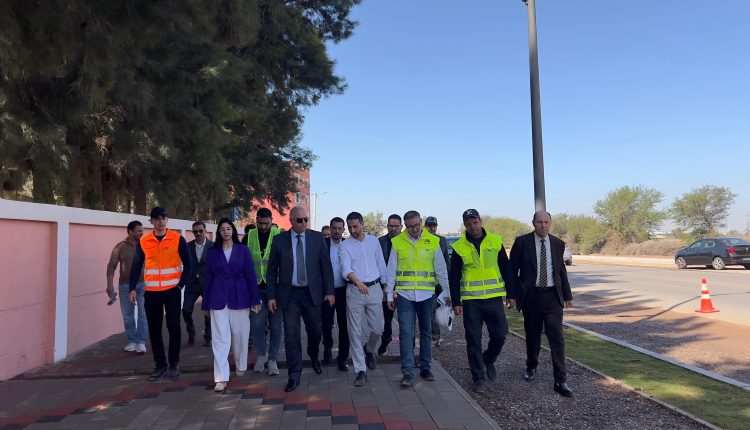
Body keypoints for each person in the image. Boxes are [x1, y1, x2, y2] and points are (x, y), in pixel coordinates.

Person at [267, 206, 335, 392]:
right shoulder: (279, 240)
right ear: (291, 220)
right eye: (300, 220)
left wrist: (329, 292)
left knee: (316, 331)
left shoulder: (316, 238)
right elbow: (271, 271)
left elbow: (326, 267)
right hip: (290, 295)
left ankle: (313, 354)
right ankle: (294, 374)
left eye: (306, 219)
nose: (304, 223)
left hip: (312, 294)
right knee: (291, 335)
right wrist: (271, 296)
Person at [509, 210, 573, 397]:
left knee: (557, 338)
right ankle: (531, 366)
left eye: (546, 222)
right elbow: (512, 270)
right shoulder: (522, 242)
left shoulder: (558, 243)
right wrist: (511, 295)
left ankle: (560, 380)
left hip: (553, 297)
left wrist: (567, 295)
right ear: (533, 223)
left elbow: (561, 271)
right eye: (539, 222)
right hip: (532, 297)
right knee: (533, 335)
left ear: (550, 223)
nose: (543, 226)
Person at [449, 209, 515, 393]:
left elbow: (506, 268)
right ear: (465, 225)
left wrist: (512, 294)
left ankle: (488, 359)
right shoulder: (459, 247)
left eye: (475, 222)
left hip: (494, 299)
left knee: (500, 334)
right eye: (469, 224)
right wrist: (456, 302)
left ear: (480, 221)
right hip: (471, 301)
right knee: (473, 340)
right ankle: (478, 377)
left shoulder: (495, 241)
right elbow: (453, 277)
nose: (473, 226)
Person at [129, 207, 193, 381]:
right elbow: (136, 266)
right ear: (151, 221)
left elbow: (189, 265)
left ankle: (174, 363)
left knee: (173, 326)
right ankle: (160, 365)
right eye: (157, 219)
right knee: (155, 330)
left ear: (167, 220)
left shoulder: (177, 239)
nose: (160, 221)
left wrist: (180, 285)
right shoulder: (144, 241)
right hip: (151, 292)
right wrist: (132, 288)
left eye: (163, 218)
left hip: (172, 291)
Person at [387, 210, 449, 387]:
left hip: (427, 295)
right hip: (405, 295)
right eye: (410, 227)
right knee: (406, 333)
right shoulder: (397, 242)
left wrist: (447, 292)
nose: (414, 229)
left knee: (426, 332)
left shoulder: (433, 241)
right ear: (405, 226)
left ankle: (425, 367)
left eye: (416, 225)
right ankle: (407, 371)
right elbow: (391, 270)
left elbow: (441, 269)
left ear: (421, 222)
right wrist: (389, 293)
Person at [202, 218, 262, 392]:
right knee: (220, 338)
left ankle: (240, 364)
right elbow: (208, 278)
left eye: (228, 228)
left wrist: (255, 299)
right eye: (222, 229)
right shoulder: (213, 253)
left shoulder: (243, 250)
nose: (226, 232)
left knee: (240, 334)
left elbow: (250, 275)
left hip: (240, 296)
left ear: (233, 231)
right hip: (218, 297)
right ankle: (221, 378)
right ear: (219, 232)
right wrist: (205, 304)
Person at [339, 212, 389, 387]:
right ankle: (360, 370)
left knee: (378, 328)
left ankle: (370, 350)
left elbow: (381, 264)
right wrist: (358, 282)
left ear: (362, 224)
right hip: (355, 290)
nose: (352, 230)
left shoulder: (374, 242)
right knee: (354, 331)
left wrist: (386, 288)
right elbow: (345, 269)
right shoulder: (344, 246)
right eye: (350, 227)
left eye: (355, 226)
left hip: (374, 289)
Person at [246, 208, 283, 376]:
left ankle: (273, 359)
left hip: (275, 289)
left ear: (271, 220)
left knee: (276, 325)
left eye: (266, 223)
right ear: (256, 221)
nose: (262, 226)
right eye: (260, 223)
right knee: (256, 324)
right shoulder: (249, 236)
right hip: (256, 289)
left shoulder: (279, 235)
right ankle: (262, 353)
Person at [106, 220, 148, 354]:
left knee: (143, 313)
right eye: (139, 231)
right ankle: (132, 340)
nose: (142, 233)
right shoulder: (120, 247)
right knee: (127, 315)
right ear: (130, 232)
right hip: (125, 285)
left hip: (144, 285)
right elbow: (111, 266)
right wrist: (109, 285)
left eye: (142, 231)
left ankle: (141, 342)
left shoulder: (146, 245)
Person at [322, 217, 349, 371]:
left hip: (344, 291)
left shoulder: (348, 245)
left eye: (340, 228)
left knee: (344, 326)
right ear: (330, 229)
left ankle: (342, 358)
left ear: (343, 229)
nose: (337, 231)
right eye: (334, 228)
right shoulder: (322, 244)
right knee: (326, 324)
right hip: (327, 291)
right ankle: (327, 348)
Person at [183, 221, 214, 347]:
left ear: (205, 230)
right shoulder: (188, 246)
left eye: (201, 231)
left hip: (207, 284)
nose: (198, 233)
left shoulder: (213, 246)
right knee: (186, 310)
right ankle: (191, 334)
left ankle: (208, 337)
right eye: (195, 231)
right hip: (192, 284)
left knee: (209, 313)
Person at [377, 213, 402, 355]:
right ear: (387, 226)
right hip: (385, 288)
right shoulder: (379, 242)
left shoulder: (406, 242)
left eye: (396, 226)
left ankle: (408, 351)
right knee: (386, 320)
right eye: (390, 226)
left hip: (404, 288)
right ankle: (385, 341)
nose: (393, 228)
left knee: (406, 323)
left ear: (401, 227)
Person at [424, 216, 450, 347]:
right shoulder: (423, 240)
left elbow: (446, 260)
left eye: (434, 226)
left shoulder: (442, 240)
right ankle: (435, 336)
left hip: (441, 281)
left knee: (442, 307)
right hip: (428, 281)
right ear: (425, 227)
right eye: (429, 226)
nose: (432, 228)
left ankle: (436, 331)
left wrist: (447, 280)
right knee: (431, 309)